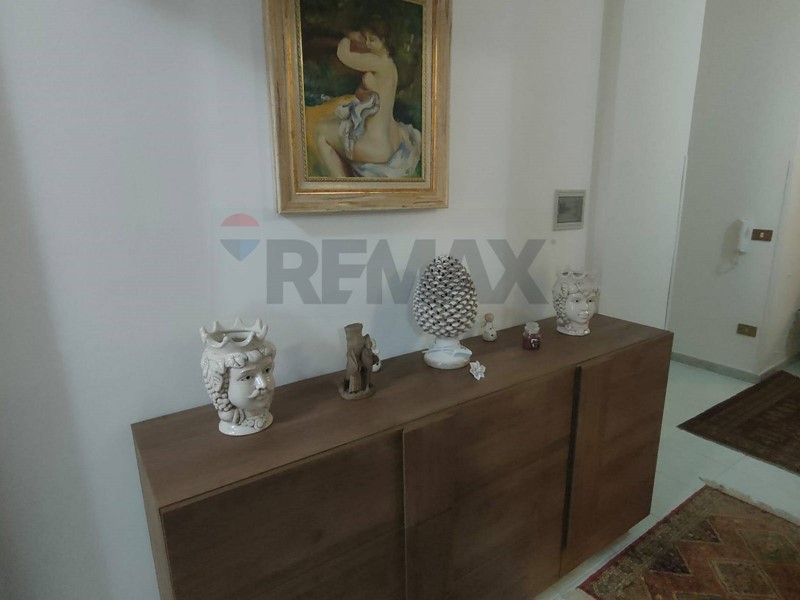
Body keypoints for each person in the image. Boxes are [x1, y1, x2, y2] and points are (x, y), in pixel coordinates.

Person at [313, 26, 421, 178]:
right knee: (338, 124)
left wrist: (349, 36)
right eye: (367, 39)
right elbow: (371, 97)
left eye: (373, 40)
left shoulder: (380, 62)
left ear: (385, 42)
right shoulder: (390, 66)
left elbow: (344, 55)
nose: (368, 44)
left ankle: (344, 185)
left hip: (376, 145)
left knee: (320, 131)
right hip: (390, 140)